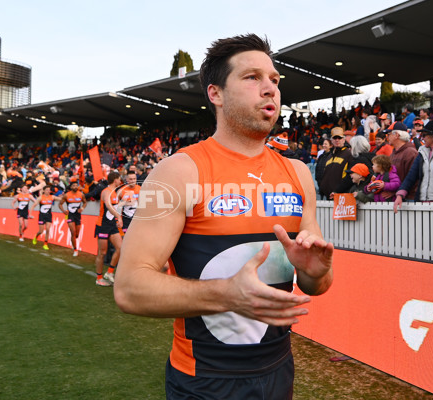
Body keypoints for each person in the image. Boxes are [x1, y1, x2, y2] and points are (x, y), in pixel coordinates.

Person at [114, 34, 333, 400]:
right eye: (252, 77)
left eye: (275, 80)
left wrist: (314, 271)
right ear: (215, 94)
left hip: (279, 370)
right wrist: (226, 294)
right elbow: (130, 288)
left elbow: (318, 287)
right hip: (204, 380)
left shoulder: (298, 173)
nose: (270, 89)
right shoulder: (178, 172)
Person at [94, 171, 123, 286]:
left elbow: (115, 206)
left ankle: (109, 272)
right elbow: (108, 205)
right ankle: (99, 278)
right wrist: (118, 217)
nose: (120, 181)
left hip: (112, 225)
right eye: (119, 178)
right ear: (115, 179)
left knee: (121, 248)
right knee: (102, 252)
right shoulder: (106, 192)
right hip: (103, 225)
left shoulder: (115, 192)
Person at [319, 127, 353, 199]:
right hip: (328, 196)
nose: (337, 140)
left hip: (341, 196)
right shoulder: (329, 156)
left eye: (339, 138)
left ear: (344, 140)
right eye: (335, 138)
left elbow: (349, 177)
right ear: (332, 140)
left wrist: (338, 190)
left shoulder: (348, 154)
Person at [58, 179, 86, 256]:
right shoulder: (67, 195)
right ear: (70, 187)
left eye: (76, 185)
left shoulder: (81, 194)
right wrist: (64, 211)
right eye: (73, 185)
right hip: (70, 215)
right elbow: (60, 204)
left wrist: (82, 208)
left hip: (78, 215)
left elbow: (85, 202)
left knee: (77, 234)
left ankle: (74, 242)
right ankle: (75, 249)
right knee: (73, 232)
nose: (75, 186)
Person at [30, 185, 61, 250]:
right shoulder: (40, 198)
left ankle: (45, 244)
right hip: (42, 215)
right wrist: (30, 214)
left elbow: (60, 199)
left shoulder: (52, 197)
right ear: (43, 191)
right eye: (47, 190)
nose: (48, 191)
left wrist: (64, 197)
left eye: (49, 190)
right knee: (41, 231)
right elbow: (33, 206)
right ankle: (36, 236)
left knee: (47, 229)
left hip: (49, 215)